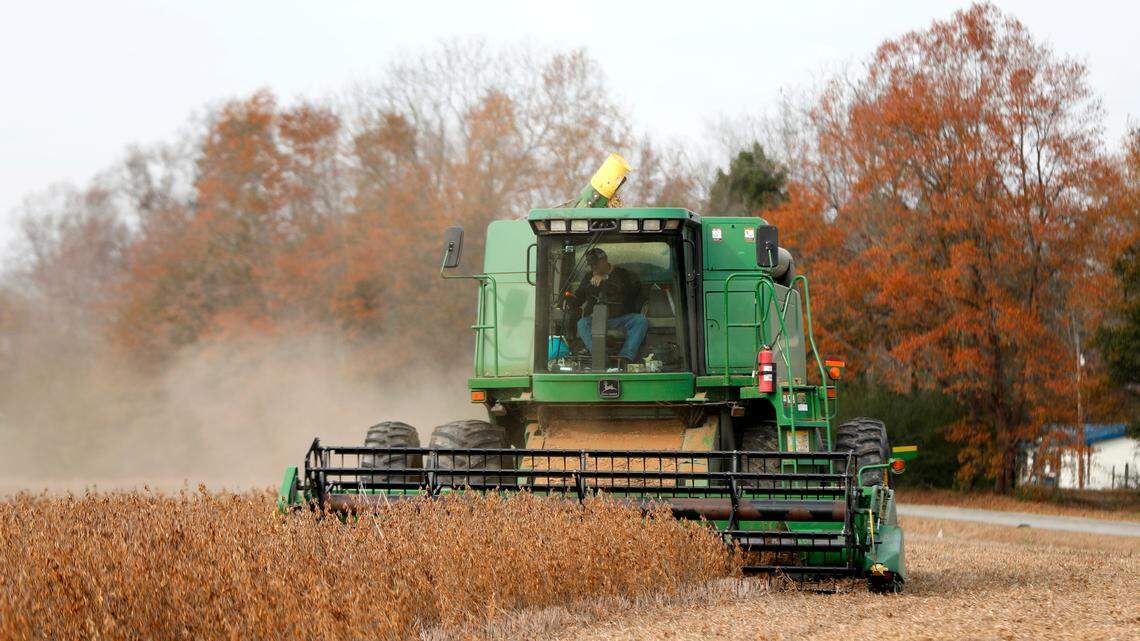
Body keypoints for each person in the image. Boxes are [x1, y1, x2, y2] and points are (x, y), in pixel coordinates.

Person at [572, 247, 648, 366]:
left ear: (605, 260)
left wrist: (605, 278)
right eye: (591, 265)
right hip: (596, 319)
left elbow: (629, 290)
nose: (593, 267)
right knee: (582, 324)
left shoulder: (623, 274)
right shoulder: (588, 277)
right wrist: (569, 301)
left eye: (595, 264)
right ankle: (600, 355)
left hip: (622, 318)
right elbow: (579, 296)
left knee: (640, 320)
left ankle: (625, 357)